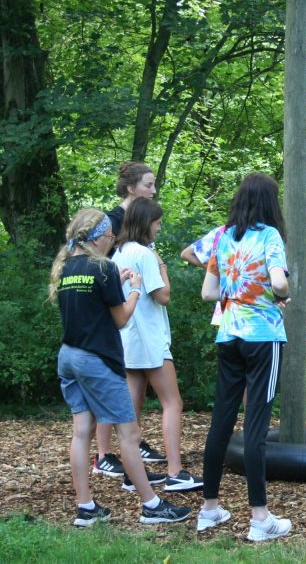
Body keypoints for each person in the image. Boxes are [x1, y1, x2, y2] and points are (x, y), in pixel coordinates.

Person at [48, 209, 191, 527]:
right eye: (111, 237)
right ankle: (151, 506)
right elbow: (121, 318)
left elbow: (92, 303)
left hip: (68, 357)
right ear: (99, 237)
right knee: (129, 434)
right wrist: (136, 289)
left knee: (81, 432)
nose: (113, 241)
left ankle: (85, 507)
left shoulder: (68, 266)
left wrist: (120, 279)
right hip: (97, 360)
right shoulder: (103, 268)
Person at [197, 173, 293, 542]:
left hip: (228, 334)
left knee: (221, 420)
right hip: (263, 337)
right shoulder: (269, 235)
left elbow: (209, 292)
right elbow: (280, 283)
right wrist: (280, 290)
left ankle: (209, 510)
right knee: (256, 426)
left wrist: (238, 289)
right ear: (270, 201)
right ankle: (260, 519)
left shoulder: (223, 236)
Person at [112, 198, 202, 492]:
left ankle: (131, 472)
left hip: (127, 339)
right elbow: (162, 295)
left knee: (132, 405)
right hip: (150, 338)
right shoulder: (144, 254)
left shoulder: (118, 253)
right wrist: (163, 267)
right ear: (146, 223)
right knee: (172, 402)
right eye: (158, 223)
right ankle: (175, 471)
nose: (160, 228)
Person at [94, 161, 166, 477]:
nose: (153, 190)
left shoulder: (140, 221)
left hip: (134, 312)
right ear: (130, 188)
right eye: (148, 185)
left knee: (132, 382)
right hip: (110, 310)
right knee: (113, 381)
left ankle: (131, 443)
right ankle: (103, 453)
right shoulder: (113, 220)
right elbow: (93, 262)